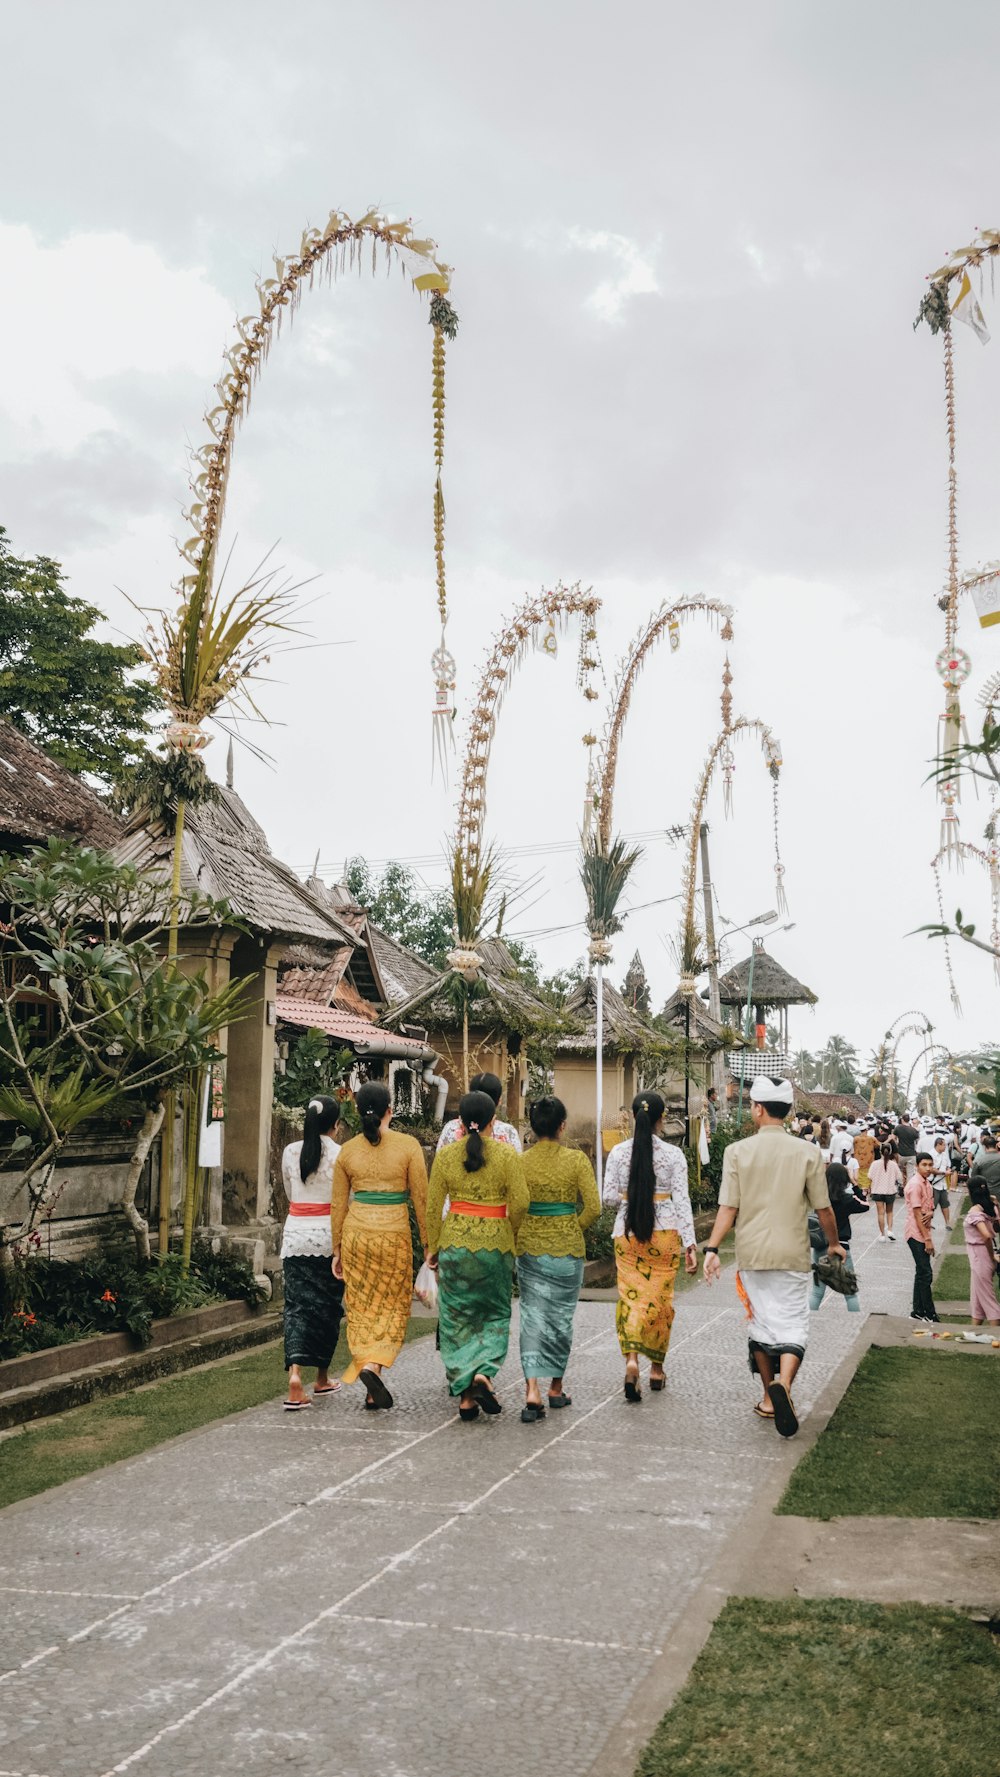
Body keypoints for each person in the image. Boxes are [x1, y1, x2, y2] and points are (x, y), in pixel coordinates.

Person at [702, 1076, 842, 1438]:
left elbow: (728, 1208)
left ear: (759, 1109)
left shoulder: (737, 1151)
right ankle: (786, 1387)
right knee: (794, 1325)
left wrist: (713, 1248)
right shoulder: (809, 1152)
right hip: (793, 1253)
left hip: (752, 1255)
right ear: (788, 1111)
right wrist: (834, 1244)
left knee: (761, 1325)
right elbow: (824, 1208)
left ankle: (767, 1395)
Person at [426, 1088, 528, 1419]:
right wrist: (509, 1229)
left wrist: (433, 1246)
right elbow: (522, 1202)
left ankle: (466, 1396)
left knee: (456, 1319)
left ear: (459, 1121)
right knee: (494, 1314)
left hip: (455, 1242)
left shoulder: (445, 1156)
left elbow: (431, 1206)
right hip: (495, 1245)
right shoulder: (507, 1155)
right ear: (492, 1121)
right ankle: (484, 1372)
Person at [331, 1081, 428, 1409]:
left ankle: (372, 1384)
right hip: (393, 1234)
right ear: (390, 1110)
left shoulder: (347, 1150)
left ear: (357, 1111)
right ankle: (374, 1366)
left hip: (357, 1234)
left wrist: (336, 1248)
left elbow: (337, 1205)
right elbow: (421, 1199)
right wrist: (429, 1245)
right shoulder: (408, 1146)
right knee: (392, 1305)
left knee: (361, 1307)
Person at [602, 1091, 698, 1402]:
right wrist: (691, 1244)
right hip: (666, 1234)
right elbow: (682, 1201)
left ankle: (632, 1361)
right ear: (661, 1119)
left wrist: (630, 1196)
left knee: (631, 1299)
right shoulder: (674, 1156)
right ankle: (656, 1369)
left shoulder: (617, 1153)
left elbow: (607, 1198)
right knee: (660, 1301)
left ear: (632, 1116)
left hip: (628, 1233)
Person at [516, 1095, 600, 1421]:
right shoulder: (577, 1161)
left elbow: (517, 1206)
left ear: (533, 1128)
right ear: (562, 1126)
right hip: (566, 1249)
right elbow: (593, 1208)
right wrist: (570, 1225)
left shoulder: (520, 1162)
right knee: (560, 1319)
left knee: (531, 1317)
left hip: (529, 1247)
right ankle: (555, 1387)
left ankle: (531, 1390)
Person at [280, 1096, 346, 1411]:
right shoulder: (340, 1155)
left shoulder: (290, 1152)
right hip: (327, 1239)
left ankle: (295, 1376)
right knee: (327, 1309)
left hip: (295, 1237)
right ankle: (321, 1377)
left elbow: (289, 1192)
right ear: (335, 1125)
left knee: (295, 1308)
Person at [808, 1162, 869, 1315]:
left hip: (820, 1246)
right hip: (841, 1247)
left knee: (816, 1291)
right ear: (844, 1179)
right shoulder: (847, 1199)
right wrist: (855, 1184)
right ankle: (855, 1321)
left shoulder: (819, 1198)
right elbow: (866, 1205)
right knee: (850, 1292)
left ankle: (809, 1319)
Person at [436, 1071, 522, 1152]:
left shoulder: (450, 1128)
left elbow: (440, 1161)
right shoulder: (508, 1132)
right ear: (499, 1101)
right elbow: (517, 1165)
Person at [903, 1154, 939, 1324]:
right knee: (926, 1273)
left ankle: (917, 1311)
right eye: (924, 1164)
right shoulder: (916, 1184)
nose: (927, 1167)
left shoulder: (927, 1184)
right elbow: (917, 1214)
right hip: (916, 1233)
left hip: (923, 1231)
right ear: (917, 1166)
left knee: (921, 1272)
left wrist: (931, 1212)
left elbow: (929, 1209)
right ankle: (929, 1313)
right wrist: (927, 1239)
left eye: (930, 1165)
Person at [963, 1178, 1000, 1327]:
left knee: (988, 1299)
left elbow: (986, 1235)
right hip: (981, 1256)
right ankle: (973, 1330)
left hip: (980, 1255)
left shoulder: (975, 1212)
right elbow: (997, 1227)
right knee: (977, 1297)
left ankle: (997, 1335)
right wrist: (996, 1203)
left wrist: (991, 1256)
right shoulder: (991, 1207)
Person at [868, 1142, 902, 1240]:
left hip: (877, 1190)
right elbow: (899, 1177)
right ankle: (890, 1230)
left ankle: (882, 1234)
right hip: (890, 1191)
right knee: (889, 1212)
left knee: (880, 1213)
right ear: (890, 1151)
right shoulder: (893, 1164)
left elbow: (869, 1176)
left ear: (880, 1152)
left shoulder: (875, 1164)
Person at [929, 1137, 953, 1230]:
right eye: (944, 1145)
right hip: (934, 1183)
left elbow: (947, 1165)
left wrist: (948, 1170)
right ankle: (928, 1222)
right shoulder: (931, 1154)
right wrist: (943, 1173)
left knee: (945, 1204)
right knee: (932, 1205)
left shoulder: (944, 1155)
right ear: (938, 1144)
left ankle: (948, 1223)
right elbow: (931, 1169)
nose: (945, 1147)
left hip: (943, 1184)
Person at [893, 1112, 920, 1182]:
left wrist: (897, 1144)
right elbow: (917, 1140)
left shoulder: (898, 1127)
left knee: (900, 1170)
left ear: (902, 1119)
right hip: (911, 1154)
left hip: (901, 1153)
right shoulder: (914, 1130)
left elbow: (894, 1138)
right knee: (910, 1174)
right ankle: (909, 1189)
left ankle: (901, 1185)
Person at [853, 1122, 876, 1198]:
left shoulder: (855, 1139)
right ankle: (866, 1190)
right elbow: (878, 1145)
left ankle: (861, 1191)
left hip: (858, 1162)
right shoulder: (871, 1139)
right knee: (867, 1177)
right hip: (869, 1162)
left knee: (860, 1177)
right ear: (866, 1130)